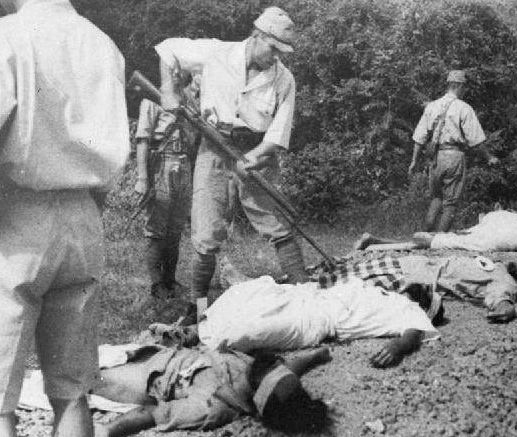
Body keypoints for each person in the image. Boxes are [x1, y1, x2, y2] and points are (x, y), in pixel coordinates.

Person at [0, 0, 131, 435]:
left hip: (19, 212)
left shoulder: (9, 37)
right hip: (86, 212)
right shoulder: (102, 43)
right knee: (72, 393)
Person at [155, 7, 307, 318]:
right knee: (206, 231)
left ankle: (304, 292)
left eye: (282, 51)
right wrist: (169, 90)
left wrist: (257, 156)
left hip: (256, 154)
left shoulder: (284, 79)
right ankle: (196, 308)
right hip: (213, 147)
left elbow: (279, 131)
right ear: (257, 36)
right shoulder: (217, 53)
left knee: (276, 221)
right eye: (272, 48)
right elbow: (167, 49)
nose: (276, 57)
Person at [149, 277, 442, 369]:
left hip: (317, 320)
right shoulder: (380, 290)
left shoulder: (409, 309)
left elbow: (412, 334)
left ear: (426, 306)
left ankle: (191, 351)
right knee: (248, 289)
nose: (420, 289)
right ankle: (190, 331)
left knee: (249, 331)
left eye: (426, 293)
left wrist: (398, 347)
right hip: (307, 295)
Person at [93, 345, 330, 436]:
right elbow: (292, 366)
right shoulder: (260, 374)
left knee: (85, 379)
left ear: (257, 400)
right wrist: (316, 355)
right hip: (175, 353)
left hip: (153, 375)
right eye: (274, 365)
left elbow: (151, 413)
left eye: (270, 370)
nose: (273, 364)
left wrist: (107, 431)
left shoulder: (210, 407)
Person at [315, 255, 517, 324]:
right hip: (410, 263)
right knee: (337, 274)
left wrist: (505, 307)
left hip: (412, 278)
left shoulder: (507, 282)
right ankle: (293, 284)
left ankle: (297, 293)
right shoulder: (500, 263)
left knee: (335, 289)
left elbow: (501, 296)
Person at [409, 70, 499, 232]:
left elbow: (419, 137)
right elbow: (476, 140)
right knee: (450, 202)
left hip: (435, 158)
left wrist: (414, 161)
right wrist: (489, 157)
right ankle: (440, 239)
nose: (465, 91)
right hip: (454, 156)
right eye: (464, 87)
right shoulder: (463, 108)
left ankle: (424, 234)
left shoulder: (432, 106)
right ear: (459, 86)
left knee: (436, 198)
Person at [133, 82, 198, 299]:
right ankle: (157, 285)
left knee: (176, 228)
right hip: (162, 163)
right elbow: (142, 140)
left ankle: (170, 280)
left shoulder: (190, 98)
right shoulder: (153, 97)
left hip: (185, 164)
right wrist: (142, 178)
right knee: (156, 229)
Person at [353, 209, 517, 255]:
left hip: (509, 221)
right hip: (512, 237)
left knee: (460, 237)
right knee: (440, 243)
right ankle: (377, 244)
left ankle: (376, 241)